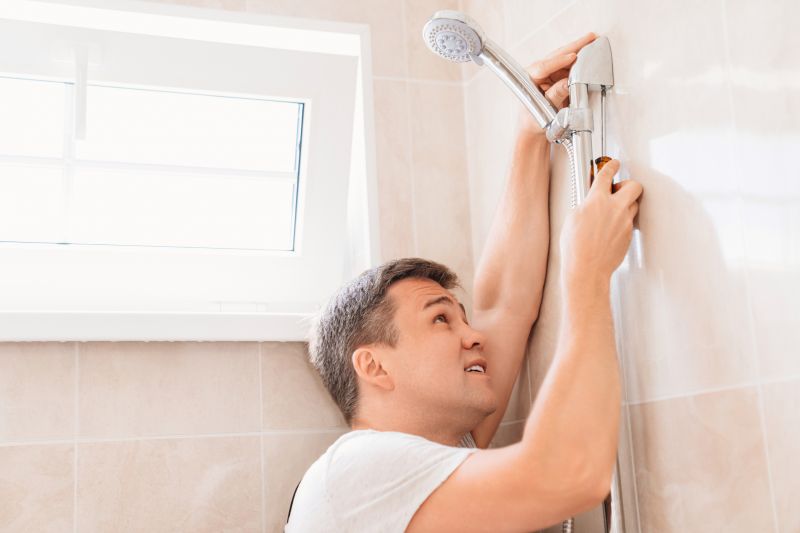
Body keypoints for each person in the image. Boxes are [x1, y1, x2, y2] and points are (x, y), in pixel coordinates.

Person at [285, 32, 643, 533]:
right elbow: (569, 476)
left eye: (461, 318)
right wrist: (586, 275)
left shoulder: (443, 451)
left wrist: (529, 133)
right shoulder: (356, 471)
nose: (473, 335)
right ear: (373, 364)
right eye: (439, 318)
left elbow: (505, 306)